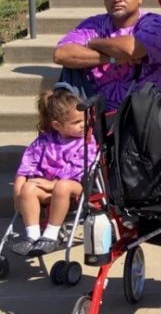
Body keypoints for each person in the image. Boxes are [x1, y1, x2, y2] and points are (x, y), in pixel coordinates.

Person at [54, 0, 161, 113]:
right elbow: (61, 54)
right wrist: (110, 58)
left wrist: (92, 43)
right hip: (99, 114)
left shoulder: (155, 23)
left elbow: (131, 48)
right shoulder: (93, 24)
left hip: (148, 115)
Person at [10, 87, 96, 257]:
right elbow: (27, 165)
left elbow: (79, 168)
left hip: (76, 186)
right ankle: (33, 235)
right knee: (28, 188)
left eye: (84, 119)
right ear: (57, 125)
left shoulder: (86, 141)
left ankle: (51, 234)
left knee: (62, 186)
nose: (83, 125)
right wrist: (18, 190)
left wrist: (52, 184)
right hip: (49, 188)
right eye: (76, 122)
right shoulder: (44, 141)